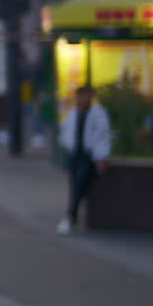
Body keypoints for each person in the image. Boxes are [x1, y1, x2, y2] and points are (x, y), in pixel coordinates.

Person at [56, 85, 111, 235]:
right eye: (83, 96)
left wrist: (101, 157)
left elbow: (102, 136)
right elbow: (66, 131)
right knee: (76, 186)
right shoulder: (73, 113)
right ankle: (74, 216)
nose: (85, 99)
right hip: (74, 154)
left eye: (88, 96)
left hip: (88, 156)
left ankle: (70, 217)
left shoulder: (97, 114)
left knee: (79, 185)